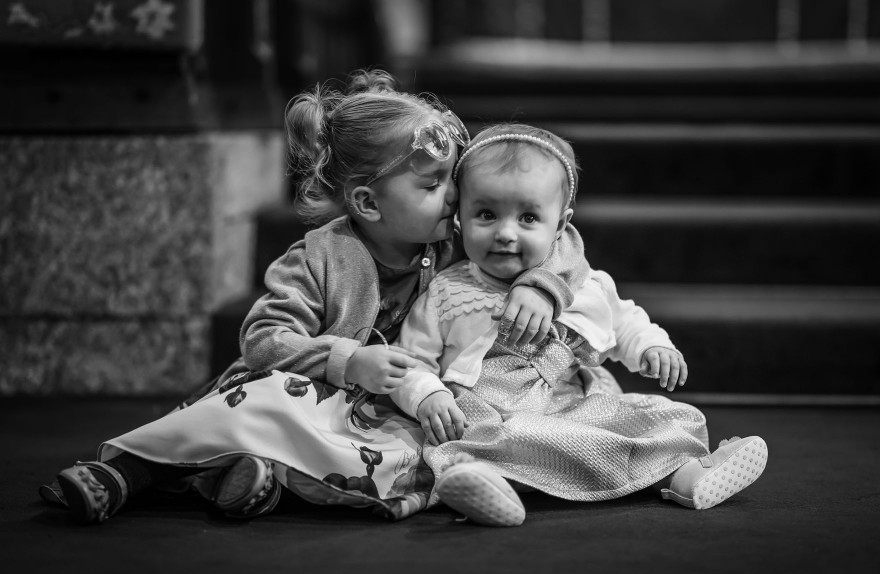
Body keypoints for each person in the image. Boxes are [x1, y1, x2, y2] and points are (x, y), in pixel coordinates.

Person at [41, 71, 590, 524]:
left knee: (413, 448)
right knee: (268, 405)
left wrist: (540, 287)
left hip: (389, 408)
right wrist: (348, 360)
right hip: (312, 391)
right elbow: (263, 339)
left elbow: (559, 238)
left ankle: (258, 482)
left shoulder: (451, 240)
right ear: (367, 203)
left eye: (453, 180)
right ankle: (129, 474)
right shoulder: (318, 259)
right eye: (433, 185)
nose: (456, 196)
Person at [390, 123, 768, 527]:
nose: (505, 233)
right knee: (484, 440)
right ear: (460, 218)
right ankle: (484, 483)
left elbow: (623, 319)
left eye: (528, 217)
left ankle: (688, 475)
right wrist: (427, 394)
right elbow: (409, 357)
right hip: (494, 416)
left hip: (571, 404)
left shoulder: (584, 284)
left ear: (560, 224)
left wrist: (650, 346)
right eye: (486, 214)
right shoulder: (448, 291)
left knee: (669, 416)